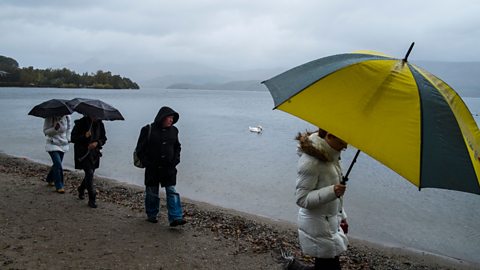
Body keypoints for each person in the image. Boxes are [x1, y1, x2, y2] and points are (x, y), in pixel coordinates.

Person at [287, 129, 349, 270]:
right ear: (329, 136)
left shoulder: (333, 157)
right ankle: (294, 266)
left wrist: (342, 217)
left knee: (326, 265)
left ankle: (293, 266)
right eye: (342, 142)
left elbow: (336, 198)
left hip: (330, 223)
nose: (345, 146)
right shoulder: (311, 162)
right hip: (317, 225)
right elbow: (302, 199)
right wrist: (332, 191)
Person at [135, 106, 186, 227]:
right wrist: (148, 163)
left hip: (169, 168)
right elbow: (140, 150)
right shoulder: (148, 129)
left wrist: (175, 160)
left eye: (172, 118)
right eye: (169, 118)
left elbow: (177, 147)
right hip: (152, 168)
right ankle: (152, 215)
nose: (171, 120)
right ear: (162, 117)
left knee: (172, 191)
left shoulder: (174, 130)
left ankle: (176, 217)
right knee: (152, 193)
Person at [71, 115, 107, 208]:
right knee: (89, 173)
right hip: (83, 154)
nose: (96, 117)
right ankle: (92, 198)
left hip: (94, 154)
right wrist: (84, 136)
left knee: (89, 174)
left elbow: (104, 139)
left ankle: (81, 188)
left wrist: (97, 143)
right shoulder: (80, 123)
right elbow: (73, 138)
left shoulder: (100, 124)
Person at [43, 115, 72, 193]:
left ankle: (49, 179)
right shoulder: (49, 117)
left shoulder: (67, 117)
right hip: (52, 143)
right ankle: (59, 185)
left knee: (56, 165)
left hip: (63, 144)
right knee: (58, 164)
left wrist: (69, 138)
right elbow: (45, 131)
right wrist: (54, 129)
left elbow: (69, 129)